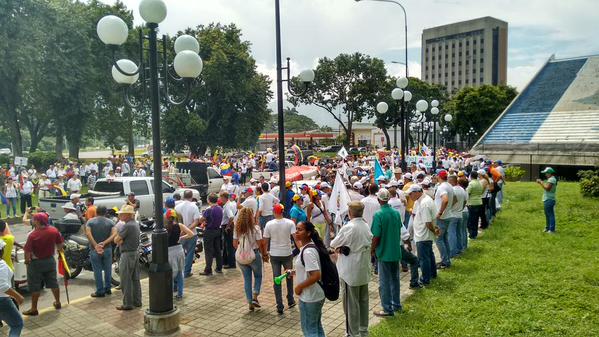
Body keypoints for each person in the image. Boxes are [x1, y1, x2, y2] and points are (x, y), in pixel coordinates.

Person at [330, 201, 372, 337]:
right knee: (363, 301)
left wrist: (340, 248)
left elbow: (333, 243)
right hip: (363, 268)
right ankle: (363, 330)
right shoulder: (365, 225)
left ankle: (352, 333)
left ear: (350, 212)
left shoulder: (349, 227)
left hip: (350, 270)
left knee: (351, 304)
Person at [22, 213, 63, 316]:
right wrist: (60, 253)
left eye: (34, 219)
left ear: (37, 221)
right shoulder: (54, 230)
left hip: (36, 263)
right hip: (50, 260)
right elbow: (59, 245)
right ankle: (57, 302)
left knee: (35, 285)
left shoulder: (33, 235)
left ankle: (34, 309)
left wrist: (27, 261)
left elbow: (27, 251)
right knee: (53, 282)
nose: (32, 220)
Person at [371, 188, 402, 317]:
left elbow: (376, 236)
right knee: (395, 279)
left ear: (378, 199)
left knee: (384, 282)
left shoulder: (378, 215)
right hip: (395, 250)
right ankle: (396, 304)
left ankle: (387, 308)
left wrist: (372, 249)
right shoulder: (396, 213)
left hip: (384, 252)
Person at [292, 221, 326, 337]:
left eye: (300, 229)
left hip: (310, 297)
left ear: (308, 233)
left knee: (309, 330)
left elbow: (316, 275)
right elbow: (309, 268)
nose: (296, 232)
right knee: (316, 327)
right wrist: (294, 272)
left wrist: (299, 287)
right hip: (315, 295)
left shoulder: (308, 251)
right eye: (296, 229)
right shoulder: (308, 247)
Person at [233, 207, 269, 311]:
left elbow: (235, 244)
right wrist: (265, 255)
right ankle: (255, 296)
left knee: (247, 279)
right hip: (254, 255)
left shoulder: (237, 228)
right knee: (258, 276)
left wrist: (243, 248)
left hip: (241, 257)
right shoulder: (256, 228)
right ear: (251, 217)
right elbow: (260, 244)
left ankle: (249, 302)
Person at [263, 204, 296, 314]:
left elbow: (265, 241)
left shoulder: (269, 224)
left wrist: (264, 253)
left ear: (274, 212)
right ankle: (291, 300)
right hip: (287, 253)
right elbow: (296, 238)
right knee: (289, 277)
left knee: (276, 279)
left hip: (275, 254)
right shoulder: (290, 223)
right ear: (282, 211)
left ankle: (279, 305)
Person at [408, 184, 438, 285]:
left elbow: (428, 222)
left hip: (423, 235)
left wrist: (434, 231)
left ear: (417, 192)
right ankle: (433, 274)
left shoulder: (424, 203)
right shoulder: (423, 200)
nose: (410, 196)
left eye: (411, 194)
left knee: (423, 258)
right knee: (429, 255)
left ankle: (425, 279)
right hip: (424, 234)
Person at [114, 205, 141, 310]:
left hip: (127, 254)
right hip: (134, 252)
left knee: (125, 280)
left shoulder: (127, 226)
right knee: (135, 279)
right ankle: (137, 301)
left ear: (128, 215)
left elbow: (117, 240)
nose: (120, 215)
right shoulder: (135, 224)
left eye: (122, 214)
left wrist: (119, 240)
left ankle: (127, 304)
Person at [85, 205, 117, 297]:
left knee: (97, 270)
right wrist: (104, 243)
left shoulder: (90, 222)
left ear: (96, 212)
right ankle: (108, 288)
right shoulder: (111, 222)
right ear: (106, 212)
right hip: (107, 249)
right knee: (108, 270)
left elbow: (88, 233)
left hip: (94, 250)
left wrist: (96, 245)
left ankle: (100, 291)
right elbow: (114, 234)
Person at [165, 209, 194, 300]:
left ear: (167, 217)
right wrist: (181, 238)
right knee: (180, 272)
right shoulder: (179, 225)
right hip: (179, 250)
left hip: (169, 252)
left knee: (171, 273)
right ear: (175, 217)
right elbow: (191, 234)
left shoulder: (164, 227)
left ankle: (170, 294)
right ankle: (180, 294)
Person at [0, 239, 24, 337]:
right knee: (17, 325)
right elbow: (2, 286)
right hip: (2, 300)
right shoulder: (1, 265)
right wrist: (18, 296)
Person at [175, 190, 201, 278]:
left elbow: (175, 221)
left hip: (180, 234)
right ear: (192, 196)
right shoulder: (194, 207)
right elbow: (196, 221)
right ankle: (186, 272)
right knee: (190, 253)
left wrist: (183, 230)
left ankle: (178, 272)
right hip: (192, 234)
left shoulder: (177, 207)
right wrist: (188, 229)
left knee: (179, 254)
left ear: (183, 196)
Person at [199, 193, 223, 276]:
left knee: (208, 251)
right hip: (217, 230)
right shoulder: (220, 208)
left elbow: (201, 219)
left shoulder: (209, 209)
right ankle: (219, 267)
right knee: (217, 249)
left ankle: (208, 270)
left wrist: (203, 221)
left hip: (209, 231)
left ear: (209, 200)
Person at [537, 167, 558, 233]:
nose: (545, 174)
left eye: (546, 173)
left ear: (549, 173)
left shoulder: (551, 179)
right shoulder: (551, 179)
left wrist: (541, 182)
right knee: (547, 214)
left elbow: (547, 188)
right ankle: (547, 228)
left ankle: (552, 230)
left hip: (549, 199)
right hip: (547, 199)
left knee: (550, 214)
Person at [221, 191, 237, 269]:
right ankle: (227, 261)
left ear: (224, 198)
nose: (220, 199)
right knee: (228, 245)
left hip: (228, 226)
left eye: (221, 197)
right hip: (230, 225)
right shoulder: (231, 204)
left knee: (229, 246)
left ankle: (231, 263)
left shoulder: (227, 206)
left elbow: (231, 217)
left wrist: (227, 226)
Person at [466, 171, 484, 239]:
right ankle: (475, 233)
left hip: (472, 203)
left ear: (471, 176)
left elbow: (468, 193)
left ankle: (472, 234)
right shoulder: (479, 183)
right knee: (476, 219)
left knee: (471, 220)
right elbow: (481, 191)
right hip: (479, 202)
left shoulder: (471, 183)